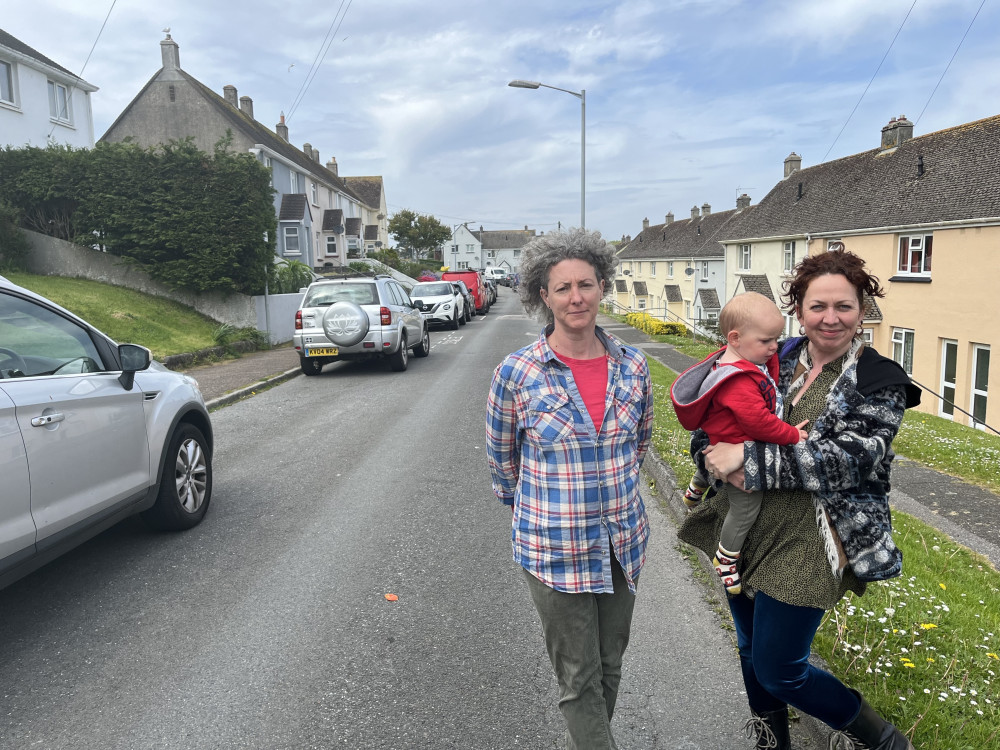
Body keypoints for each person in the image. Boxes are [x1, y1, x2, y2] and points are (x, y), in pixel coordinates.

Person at [678, 247, 921, 750]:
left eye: (844, 306)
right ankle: (771, 738)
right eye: (817, 306)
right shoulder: (772, 354)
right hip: (747, 526)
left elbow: (850, 460)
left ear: (862, 309)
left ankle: (877, 737)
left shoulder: (879, 380)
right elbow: (712, 424)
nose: (830, 319)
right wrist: (708, 456)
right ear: (799, 309)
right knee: (748, 647)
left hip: (814, 536)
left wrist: (746, 460)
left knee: (781, 668)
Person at [486, 228, 653, 750]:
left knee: (609, 663)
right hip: (553, 549)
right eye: (563, 288)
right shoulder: (517, 373)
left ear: (603, 285)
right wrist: (546, 513)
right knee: (578, 675)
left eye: (586, 284)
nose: (576, 297)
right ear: (543, 295)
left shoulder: (634, 366)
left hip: (621, 543)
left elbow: (638, 445)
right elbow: (503, 463)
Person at [670, 292, 808, 595]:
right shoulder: (739, 382)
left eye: (777, 338)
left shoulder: (736, 358)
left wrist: (766, 353)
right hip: (737, 441)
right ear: (735, 337)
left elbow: (768, 371)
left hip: (722, 438)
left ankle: (695, 488)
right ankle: (726, 557)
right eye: (766, 341)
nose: (774, 348)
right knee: (746, 508)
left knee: (714, 451)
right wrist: (793, 435)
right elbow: (759, 423)